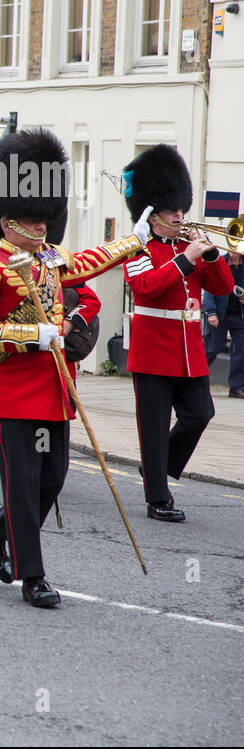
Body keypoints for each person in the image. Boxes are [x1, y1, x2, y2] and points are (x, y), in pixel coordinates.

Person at [0, 129, 149, 608]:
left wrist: (136, 239)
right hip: (13, 392)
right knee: (23, 487)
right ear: (7, 220)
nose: (43, 228)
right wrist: (30, 336)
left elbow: (91, 259)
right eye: (32, 221)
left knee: (52, 479)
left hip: (54, 389)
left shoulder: (51, 260)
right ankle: (32, 576)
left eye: (45, 221)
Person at [121, 145, 236, 522]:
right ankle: (158, 497)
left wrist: (211, 254)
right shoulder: (138, 248)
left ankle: (156, 468)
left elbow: (221, 287)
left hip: (189, 349)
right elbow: (146, 286)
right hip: (153, 350)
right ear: (152, 216)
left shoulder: (190, 246)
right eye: (172, 211)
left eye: (180, 209)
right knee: (152, 429)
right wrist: (185, 259)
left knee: (200, 414)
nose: (179, 216)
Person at [203, 250, 244, 398]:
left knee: (241, 350)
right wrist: (211, 312)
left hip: (238, 315)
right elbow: (209, 288)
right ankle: (193, 380)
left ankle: (236, 388)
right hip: (220, 314)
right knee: (212, 348)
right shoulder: (219, 262)